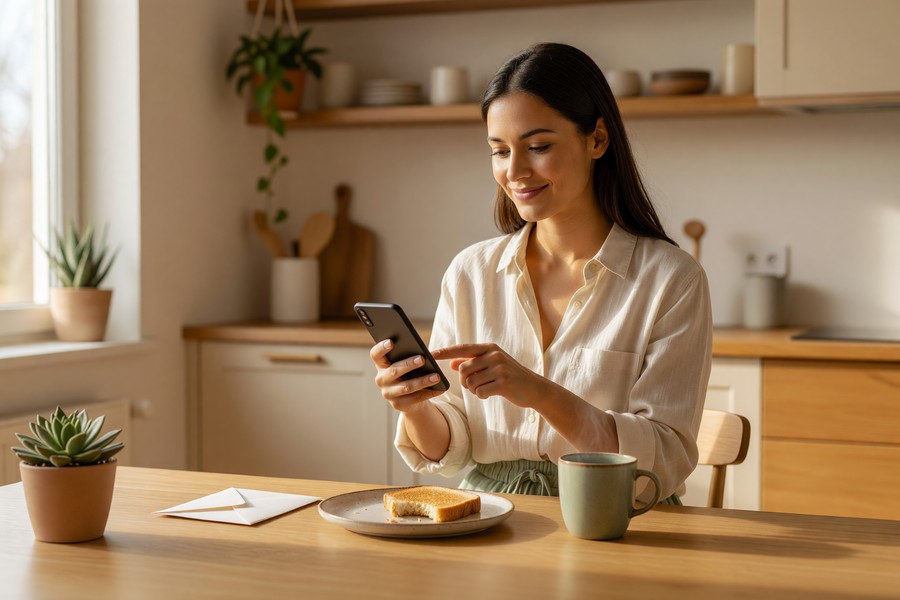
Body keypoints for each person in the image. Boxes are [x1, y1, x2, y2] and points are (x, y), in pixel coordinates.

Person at [369, 42, 712, 503]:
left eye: (538, 147)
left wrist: (539, 393)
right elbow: (450, 451)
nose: (515, 172)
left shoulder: (671, 279)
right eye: (499, 151)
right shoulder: (471, 273)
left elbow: (664, 458)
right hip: (494, 511)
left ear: (597, 139)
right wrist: (414, 407)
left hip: (614, 512)